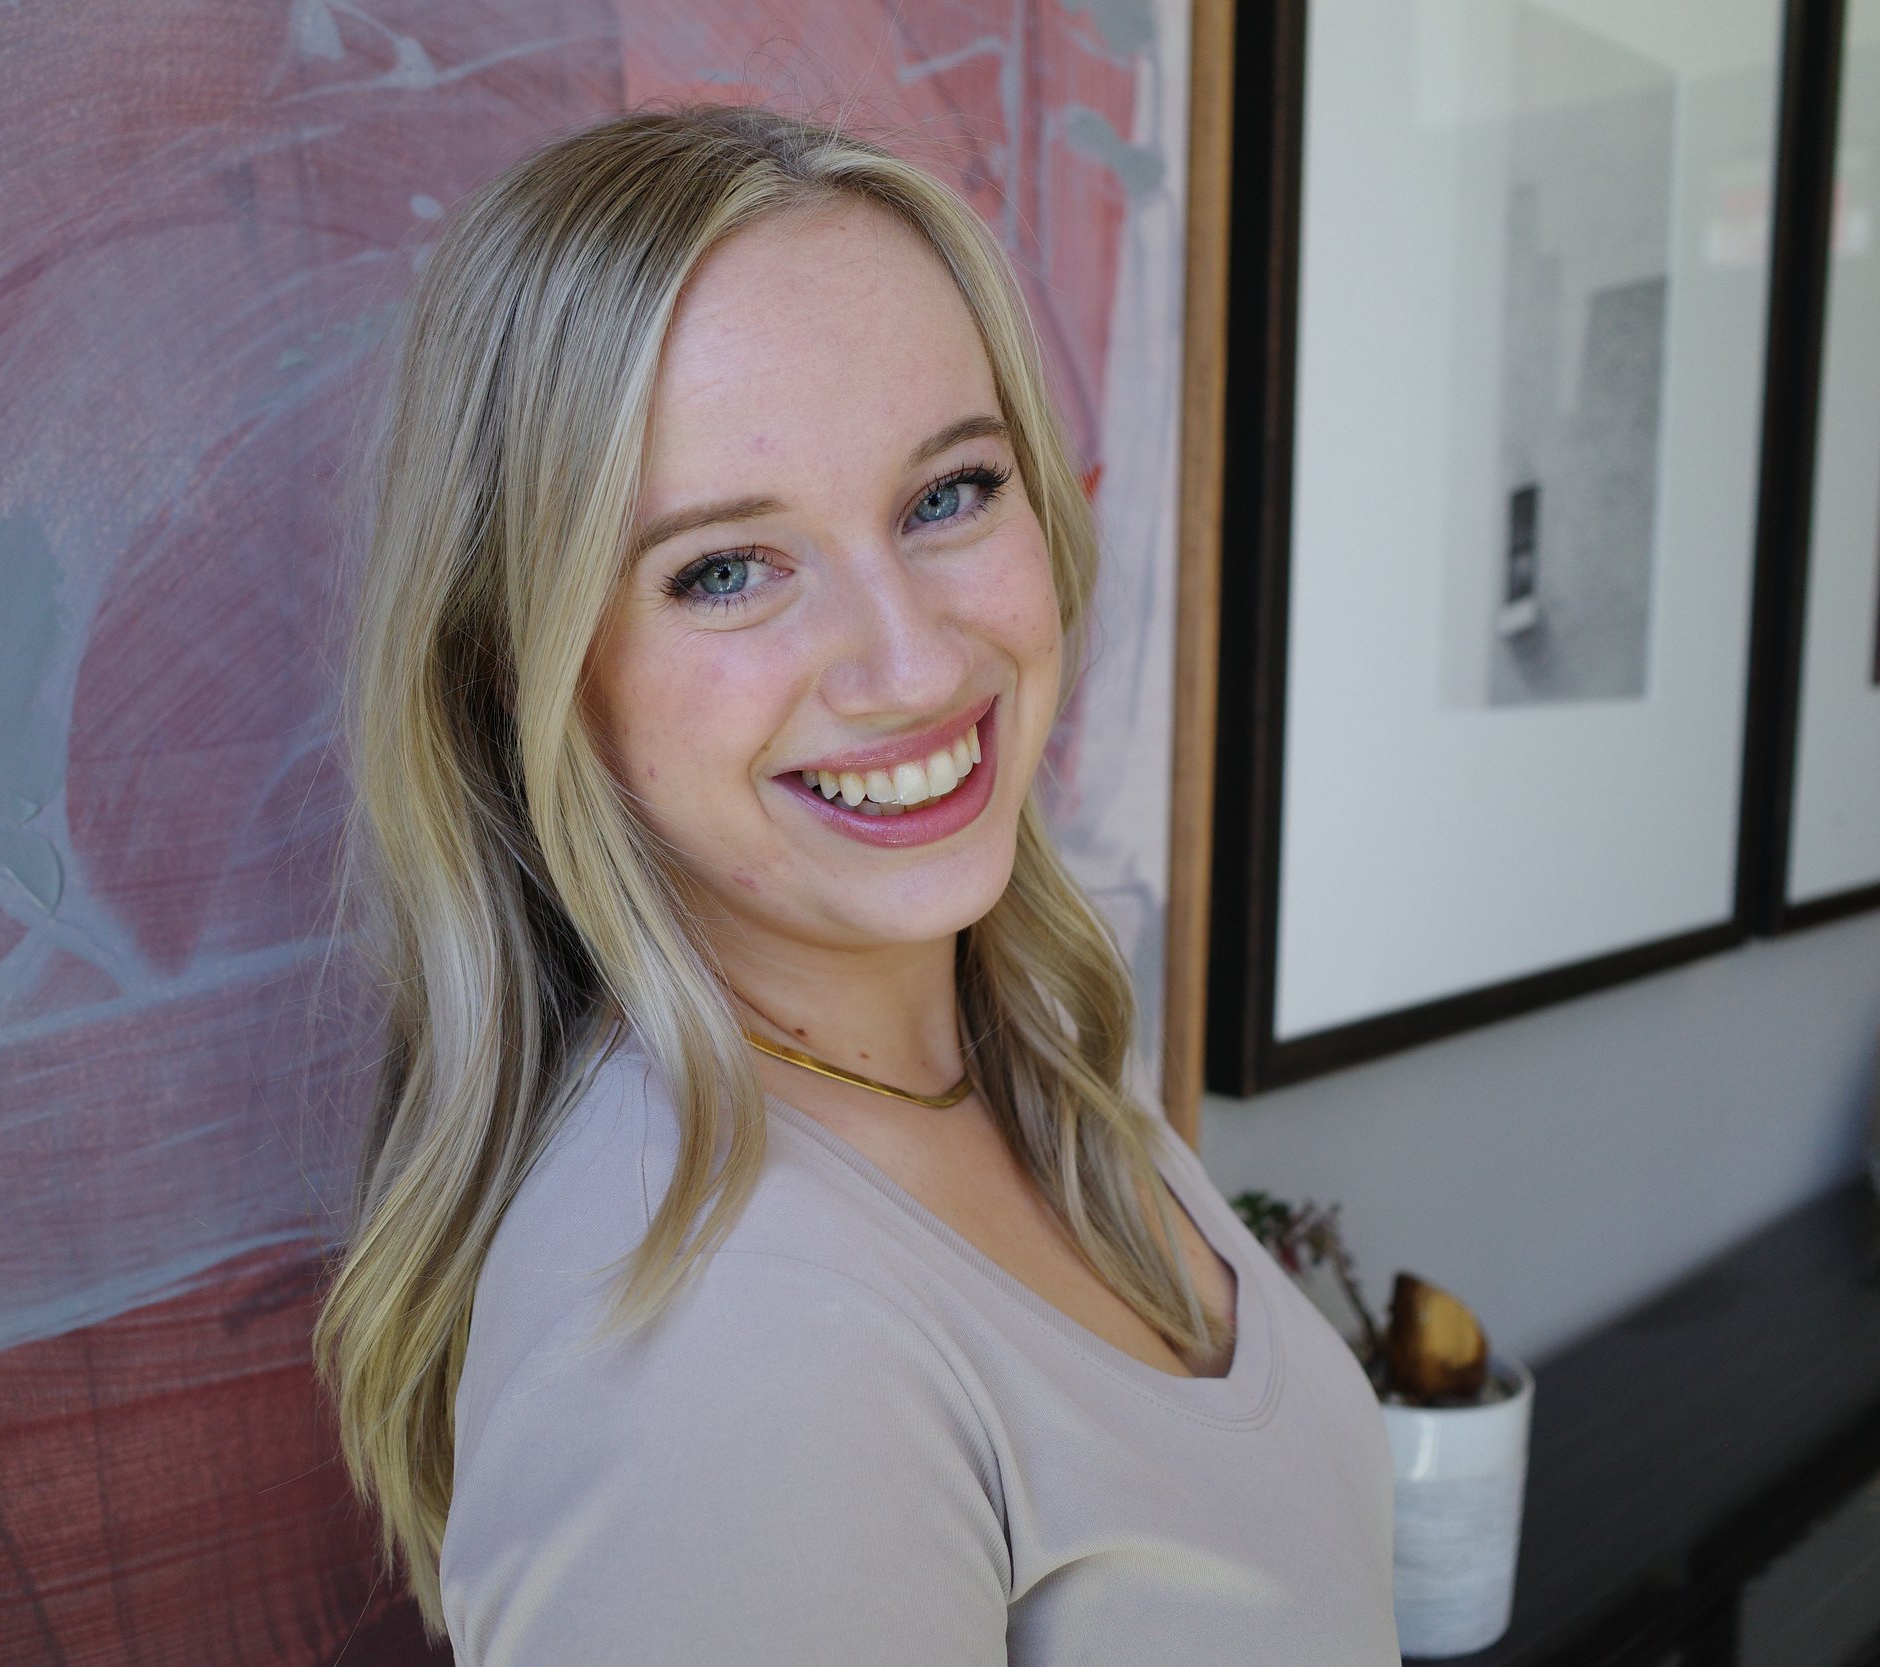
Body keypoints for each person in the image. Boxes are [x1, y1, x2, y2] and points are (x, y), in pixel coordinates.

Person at [311, 103, 1397, 1665]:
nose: (910, 663)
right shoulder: (715, 1351)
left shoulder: (1014, 1039)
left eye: (949, 493)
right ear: (523, 674)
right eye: (726, 569)